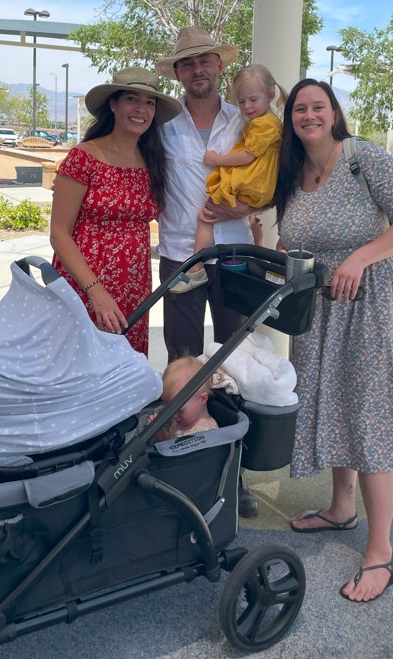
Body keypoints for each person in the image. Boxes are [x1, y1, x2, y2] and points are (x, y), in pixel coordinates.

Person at [274, 79, 393, 603]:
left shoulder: (366, 160)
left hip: (370, 304)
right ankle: (342, 508)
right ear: (291, 119)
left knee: (369, 413)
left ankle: (383, 552)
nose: (309, 116)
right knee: (334, 404)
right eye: (300, 109)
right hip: (320, 307)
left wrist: (360, 257)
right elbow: (291, 237)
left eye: (318, 106)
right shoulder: (293, 171)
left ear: (334, 113)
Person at [155, 26, 259, 517]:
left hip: (235, 253)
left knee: (236, 357)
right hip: (180, 252)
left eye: (205, 61)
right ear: (177, 73)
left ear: (220, 66)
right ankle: (183, 462)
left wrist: (246, 210)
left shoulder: (247, 121)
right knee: (182, 356)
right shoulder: (162, 127)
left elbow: (272, 178)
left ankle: (235, 471)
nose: (197, 70)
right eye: (188, 63)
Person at [50, 66, 182, 357]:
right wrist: (95, 291)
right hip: (85, 285)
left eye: (149, 103)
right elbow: (59, 234)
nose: (141, 109)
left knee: (124, 367)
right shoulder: (84, 157)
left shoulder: (153, 160)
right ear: (113, 104)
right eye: (132, 99)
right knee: (80, 363)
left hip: (134, 285)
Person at [170, 63, 284, 293]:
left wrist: (217, 159)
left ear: (270, 96)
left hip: (248, 192)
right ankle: (196, 266)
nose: (247, 106)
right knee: (208, 215)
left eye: (253, 100)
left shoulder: (261, 123)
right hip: (177, 246)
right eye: (242, 101)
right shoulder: (167, 122)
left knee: (205, 215)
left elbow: (249, 155)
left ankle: (195, 268)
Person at [152, 357, 219, 442]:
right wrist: (159, 433)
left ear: (202, 399)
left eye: (180, 410)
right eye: (169, 409)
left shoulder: (208, 433)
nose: (173, 415)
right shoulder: (180, 419)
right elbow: (169, 442)